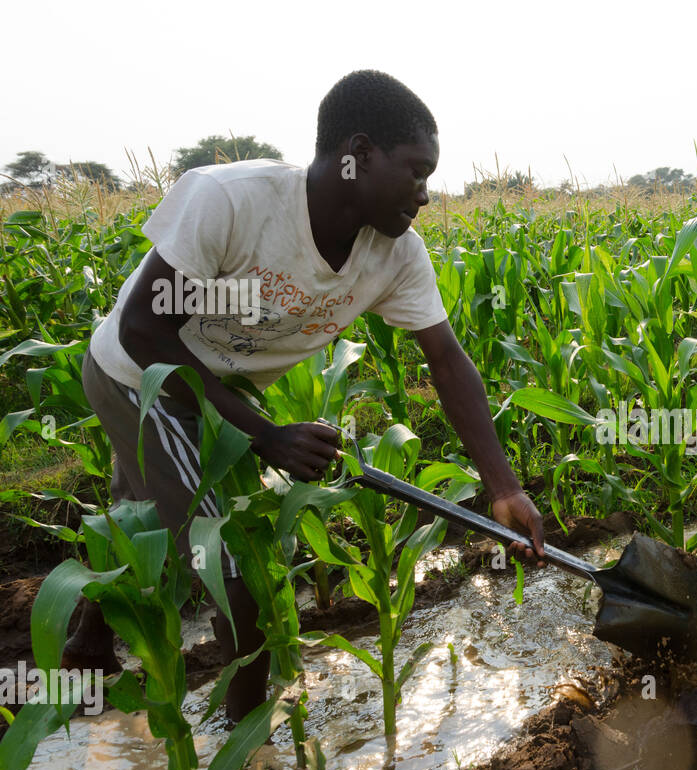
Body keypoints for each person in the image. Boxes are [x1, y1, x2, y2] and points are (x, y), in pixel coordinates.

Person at [61, 70, 546, 722]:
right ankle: (248, 765)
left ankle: (86, 650)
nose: (426, 195)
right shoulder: (231, 200)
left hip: (218, 391)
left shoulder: (395, 254)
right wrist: (266, 436)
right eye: (417, 172)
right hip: (138, 378)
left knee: (138, 516)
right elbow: (144, 328)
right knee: (233, 563)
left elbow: (447, 361)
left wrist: (504, 487)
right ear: (361, 154)